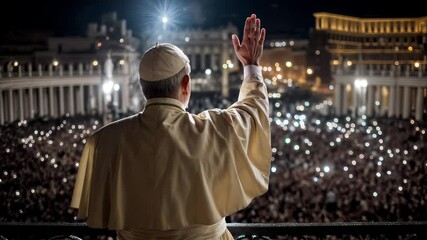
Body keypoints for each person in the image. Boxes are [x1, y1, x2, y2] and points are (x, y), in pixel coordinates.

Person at [70, 13, 271, 239]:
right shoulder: (217, 129)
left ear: (141, 87)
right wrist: (251, 65)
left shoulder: (103, 140)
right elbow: (253, 110)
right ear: (186, 85)